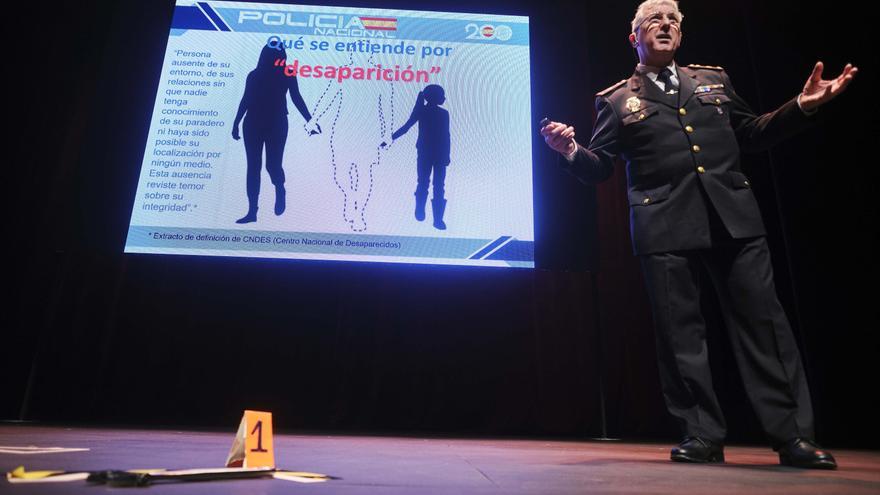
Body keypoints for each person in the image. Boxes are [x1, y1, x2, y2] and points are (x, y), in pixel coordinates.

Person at [540, 0, 856, 469]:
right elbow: (601, 166)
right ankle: (702, 435)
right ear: (635, 38)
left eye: (673, 22)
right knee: (680, 335)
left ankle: (793, 437)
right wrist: (569, 151)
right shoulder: (615, 100)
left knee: (765, 328)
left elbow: (751, 133)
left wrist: (802, 107)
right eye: (654, 21)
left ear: (681, 37)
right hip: (663, 224)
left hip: (733, 217)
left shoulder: (715, 81)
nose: (665, 26)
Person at [231, 43, 320, 224]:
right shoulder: (254, 75)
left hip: (276, 123)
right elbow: (246, 99)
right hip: (253, 122)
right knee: (253, 167)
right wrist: (236, 122)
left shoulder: (287, 73)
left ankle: (279, 187)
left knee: (272, 165)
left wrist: (310, 120)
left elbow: (296, 97)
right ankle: (252, 211)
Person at [382, 85, 451, 230]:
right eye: (442, 94)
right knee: (435, 185)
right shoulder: (428, 112)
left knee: (427, 183)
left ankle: (433, 217)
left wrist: (446, 154)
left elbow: (446, 136)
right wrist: (390, 138)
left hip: (433, 153)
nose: (444, 97)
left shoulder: (436, 113)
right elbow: (407, 127)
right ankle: (429, 215)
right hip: (429, 153)